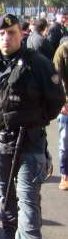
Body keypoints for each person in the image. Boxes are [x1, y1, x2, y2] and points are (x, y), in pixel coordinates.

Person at [0, 14, 64, 239]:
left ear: (22, 34)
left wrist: (34, 123)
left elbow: (56, 101)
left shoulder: (38, 64)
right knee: (5, 195)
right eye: (2, 34)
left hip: (29, 142)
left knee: (27, 197)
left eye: (12, 33)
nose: (7, 37)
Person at [53, 41, 68, 190]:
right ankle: (65, 175)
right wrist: (62, 102)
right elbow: (56, 78)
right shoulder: (63, 49)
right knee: (65, 142)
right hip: (67, 105)